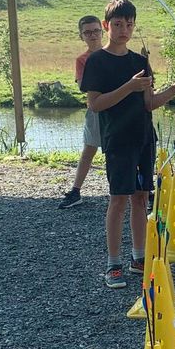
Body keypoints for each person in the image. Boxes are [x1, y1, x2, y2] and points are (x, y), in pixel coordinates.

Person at [80, 0, 175, 289]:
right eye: (117, 24)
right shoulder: (97, 62)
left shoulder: (140, 62)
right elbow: (95, 104)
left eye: (129, 24)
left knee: (141, 198)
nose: (124, 30)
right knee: (118, 200)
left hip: (143, 139)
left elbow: (150, 103)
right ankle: (112, 263)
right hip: (118, 140)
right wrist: (128, 86)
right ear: (106, 26)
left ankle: (138, 257)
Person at [58, 15, 104, 209]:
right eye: (88, 32)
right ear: (82, 36)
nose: (93, 36)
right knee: (89, 150)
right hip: (96, 109)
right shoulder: (82, 60)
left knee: (122, 151)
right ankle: (76, 191)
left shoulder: (115, 52)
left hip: (118, 107)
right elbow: (82, 85)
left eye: (96, 31)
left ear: (103, 32)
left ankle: (140, 189)